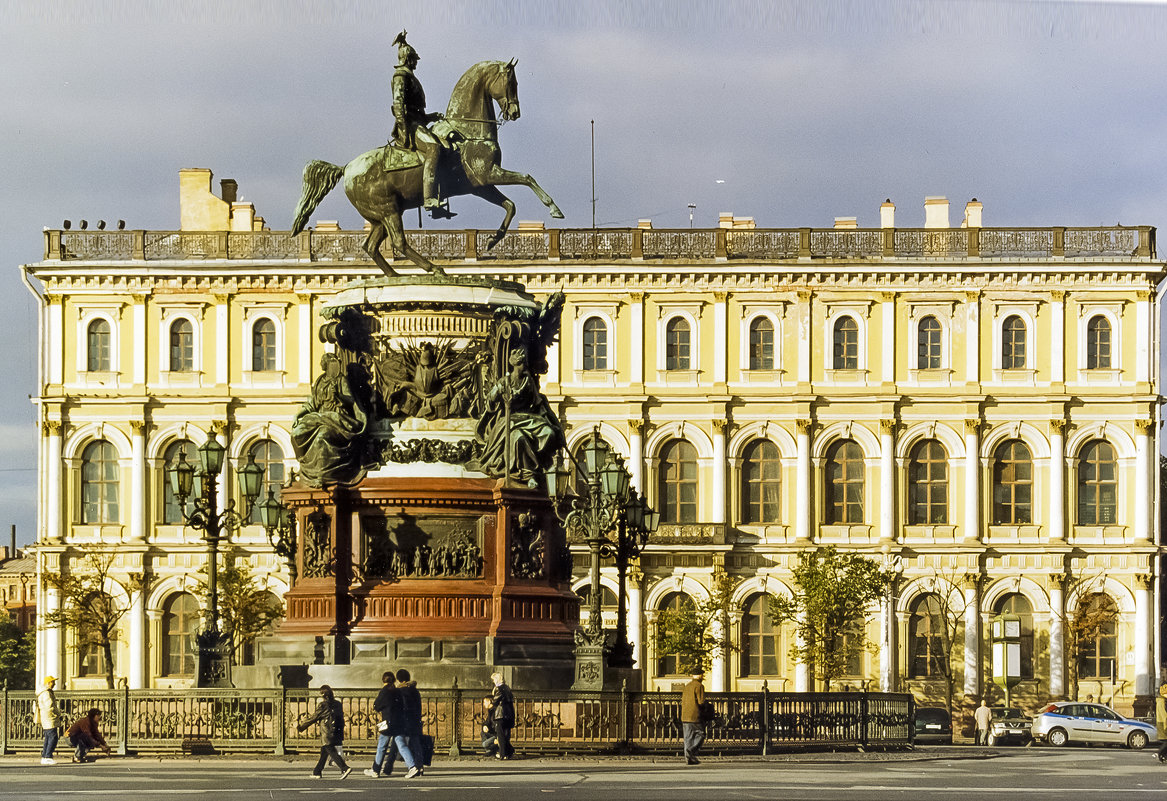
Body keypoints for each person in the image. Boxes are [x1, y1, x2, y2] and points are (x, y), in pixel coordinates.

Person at [389, 30, 448, 217]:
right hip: (410, 127)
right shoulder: (401, 76)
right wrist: (404, 131)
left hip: (417, 123)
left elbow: (416, 111)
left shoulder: (410, 77)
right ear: (407, 58)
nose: (416, 62)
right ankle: (429, 198)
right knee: (433, 147)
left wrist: (431, 117)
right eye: (414, 58)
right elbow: (399, 106)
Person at [297, 685, 352, 780]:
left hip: (327, 732)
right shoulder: (338, 704)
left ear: (322, 695)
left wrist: (301, 727)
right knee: (324, 752)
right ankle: (317, 771)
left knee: (330, 749)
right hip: (336, 731)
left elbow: (313, 718)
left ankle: (344, 768)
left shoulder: (323, 705)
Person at [393, 668, 425, 777]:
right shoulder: (415, 690)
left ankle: (412, 766)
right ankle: (420, 766)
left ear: (398, 679)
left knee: (400, 742)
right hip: (415, 720)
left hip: (404, 720)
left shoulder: (400, 691)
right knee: (416, 743)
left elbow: (401, 708)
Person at [679, 669, 706, 765]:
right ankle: (691, 751)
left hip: (685, 715)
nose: (703, 677)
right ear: (699, 676)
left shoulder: (687, 686)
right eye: (702, 675)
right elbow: (701, 702)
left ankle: (689, 759)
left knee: (688, 738)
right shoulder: (699, 686)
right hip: (695, 715)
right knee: (701, 734)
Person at [488, 672, 515, 759]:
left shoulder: (498, 688)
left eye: (493, 679)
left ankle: (503, 754)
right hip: (509, 714)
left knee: (501, 735)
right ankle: (508, 752)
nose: (493, 682)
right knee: (506, 734)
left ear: (497, 679)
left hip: (501, 714)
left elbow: (495, 700)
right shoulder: (507, 688)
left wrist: (491, 703)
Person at [37, 676, 60, 764]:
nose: (54, 684)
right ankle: (48, 756)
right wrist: (57, 713)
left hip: (45, 717)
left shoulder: (42, 692)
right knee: (53, 737)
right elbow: (49, 706)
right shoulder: (46, 693)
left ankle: (44, 756)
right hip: (49, 717)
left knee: (48, 737)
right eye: (53, 682)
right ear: (49, 683)